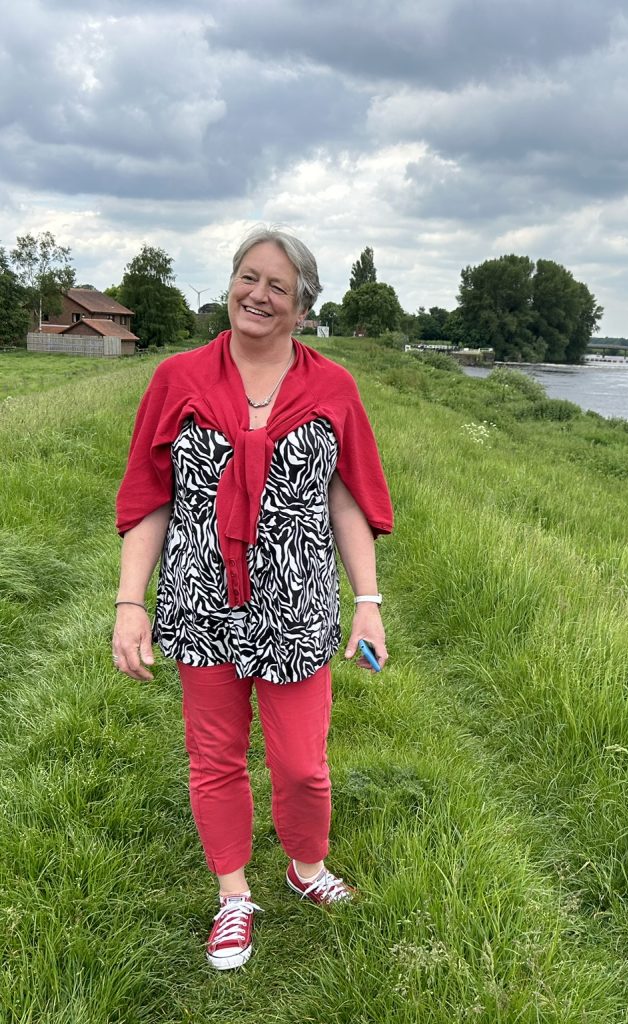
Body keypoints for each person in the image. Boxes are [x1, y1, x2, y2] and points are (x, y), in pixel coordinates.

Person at [113, 227, 393, 970]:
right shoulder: (177, 378)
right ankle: (233, 895)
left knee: (303, 765)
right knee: (216, 758)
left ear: (302, 307)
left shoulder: (333, 387)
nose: (257, 295)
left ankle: (305, 869)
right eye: (247, 277)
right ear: (230, 284)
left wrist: (367, 600)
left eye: (277, 286)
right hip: (200, 599)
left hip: (297, 604)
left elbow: (347, 498)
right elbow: (150, 496)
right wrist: (129, 603)